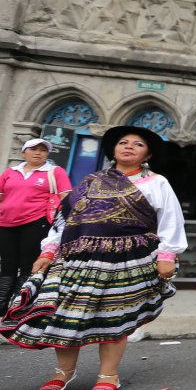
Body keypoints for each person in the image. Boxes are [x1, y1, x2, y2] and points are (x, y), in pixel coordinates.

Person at [2, 126, 186, 390]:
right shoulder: (90, 181)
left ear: (147, 155)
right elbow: (65, 218)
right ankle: (63, 372)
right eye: (123, 142)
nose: (129, 146)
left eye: (138, 144)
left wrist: (167, 255)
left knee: (115, 316)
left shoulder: (157, 183)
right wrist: (48, 251)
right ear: (113, 150)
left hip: (127, 259)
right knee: (64, 314)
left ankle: (108, 376)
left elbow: (171, 220)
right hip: (78, 258)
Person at [0, 139, 72, 310]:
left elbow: (66, 199)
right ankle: (2, 304)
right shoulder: (11, 171)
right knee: (7, 263)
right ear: (24, 152)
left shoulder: (55, 172)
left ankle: (18, 306)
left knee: (27, 264)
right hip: (5, 222)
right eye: (33, 149)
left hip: (36, 222)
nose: (38, 152)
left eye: (42, 150)